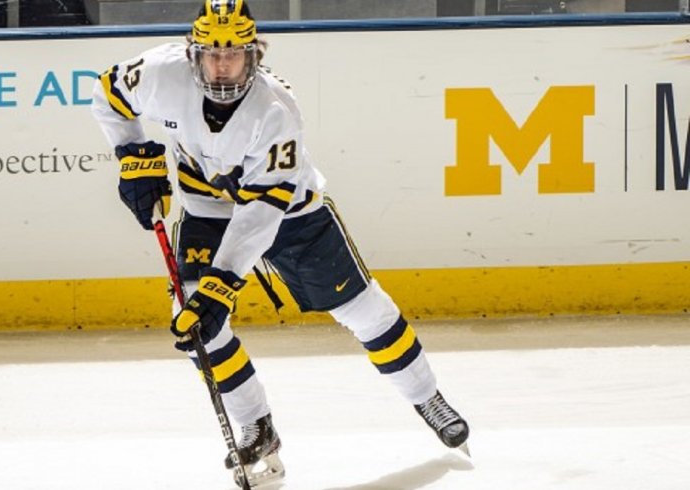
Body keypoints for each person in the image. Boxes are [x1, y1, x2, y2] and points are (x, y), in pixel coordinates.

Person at [92, 0, 469, 485]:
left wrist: (222, 284)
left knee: (361, 309)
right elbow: (108, 94)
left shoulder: (276, 110)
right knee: (193, 322)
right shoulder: (161, 73)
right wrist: (129, 154)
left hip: (290, 211)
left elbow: (261, 213)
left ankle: (427, 396)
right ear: (192, 55)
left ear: (255, 55)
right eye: (212, 54)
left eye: (234, 54)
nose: (223, 65)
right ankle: (257, 425)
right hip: (207, 208)